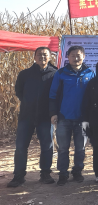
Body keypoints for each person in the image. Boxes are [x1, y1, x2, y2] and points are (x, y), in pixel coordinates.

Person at [8, 47, 58, 188]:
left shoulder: (55, 74)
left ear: (50, 57)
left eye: (45, 55)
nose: (42, 57)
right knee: (21, 146)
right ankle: (19, 176)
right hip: (26, 116)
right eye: (39, 54)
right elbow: (19, 91)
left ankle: (45, 174)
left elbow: (58, 93)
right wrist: (28, 103)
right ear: (34, 57)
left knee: (47, 146)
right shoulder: (25, 74)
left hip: (45, 117)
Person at [49, 45, 96, 186]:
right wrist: (53, 113)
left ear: (84, 56)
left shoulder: (90, 73)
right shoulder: (61, 73)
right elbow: (53, 95)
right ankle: (63, 173)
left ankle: (77, 171)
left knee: (80, 148)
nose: (76, 58)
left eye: (78, 55)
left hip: (82, 119)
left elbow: (94, 97)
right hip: (64, 117)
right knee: (63, 148)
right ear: (68, 57)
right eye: (73, 55)